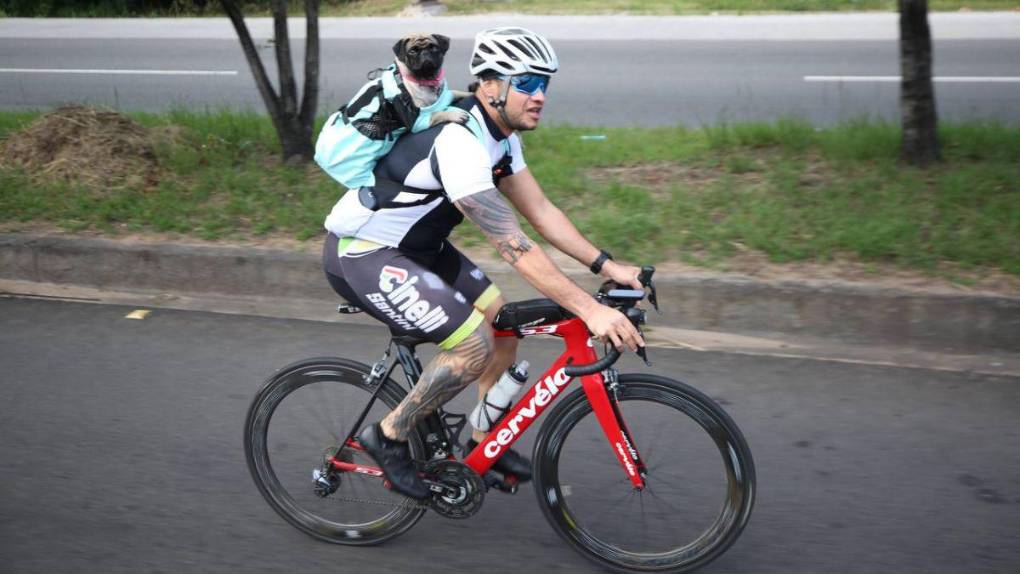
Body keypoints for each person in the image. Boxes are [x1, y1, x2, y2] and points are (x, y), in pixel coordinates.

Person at [320, 27, 644, 500]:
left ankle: (481, 442)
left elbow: (542, 213)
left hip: (422, 249)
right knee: (472, 346)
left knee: (504, 325)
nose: (540, 96)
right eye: (529, 82)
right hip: (365, 252)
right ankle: (387, 436)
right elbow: (513, 245)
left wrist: (607, 267)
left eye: (546, 84)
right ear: (490, 85)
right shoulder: (459, 141)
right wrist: (591, 311)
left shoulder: (502, 138)